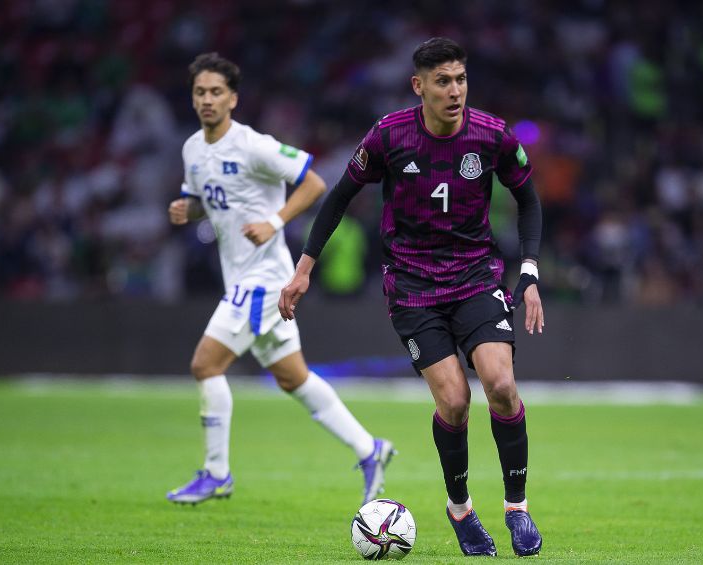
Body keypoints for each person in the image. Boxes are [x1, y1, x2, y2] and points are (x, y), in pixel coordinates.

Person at [279, 38, 544, 557]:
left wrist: (529, 272)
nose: (455, 91)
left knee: (502, 385)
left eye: (461, 79)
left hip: (474, 278)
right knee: (454, 399)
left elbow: (528, 199)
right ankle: (461, 509)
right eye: (443, 81)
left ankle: (517, 508)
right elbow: (338, 198)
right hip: (414, 288)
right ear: (418, 86)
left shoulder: (491, 135)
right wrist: (304, 268)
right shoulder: (389, 136)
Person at [166, 53, 394, 506]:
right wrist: (186, 209)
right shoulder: (193, 149)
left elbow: (311, 184)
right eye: (200, 92)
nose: (208, 99)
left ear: (233, 98)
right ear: (193, 99)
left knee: (205, 366)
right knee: (294, 378)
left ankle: (216, 473)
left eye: (216, 92)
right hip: (240, 279)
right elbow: (207, 201)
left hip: (264, 281)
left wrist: (274, 220)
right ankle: (370, 449)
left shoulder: (253, 145)